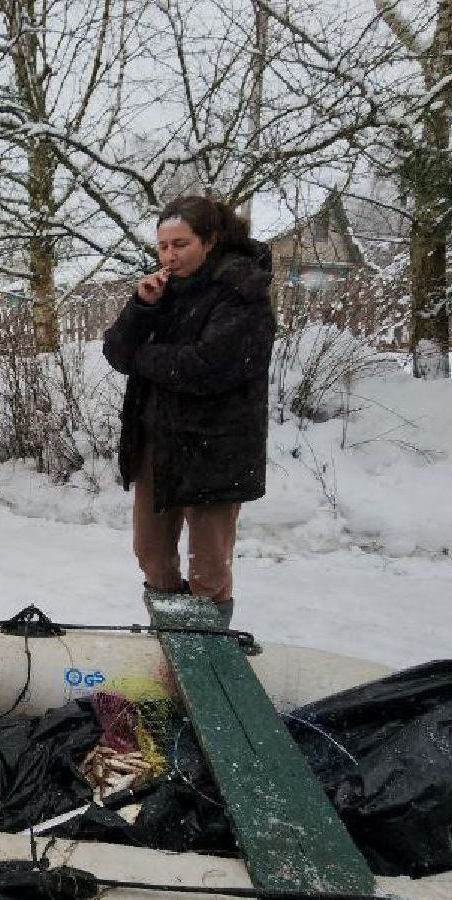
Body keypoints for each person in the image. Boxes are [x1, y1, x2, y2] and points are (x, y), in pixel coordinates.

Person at [101, 195, 275, 626]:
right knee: (151, 553)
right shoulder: (162, 290)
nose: (169, 255)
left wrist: (146, 355)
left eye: (180, 244)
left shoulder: (242, 292)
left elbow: (207, 368)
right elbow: (117, 353)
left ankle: (208, 653)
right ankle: (172, 636)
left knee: (208, 569)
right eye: (163, 246)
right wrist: (142, 308)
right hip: (157, 446)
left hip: (217, 451)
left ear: (210, 241)